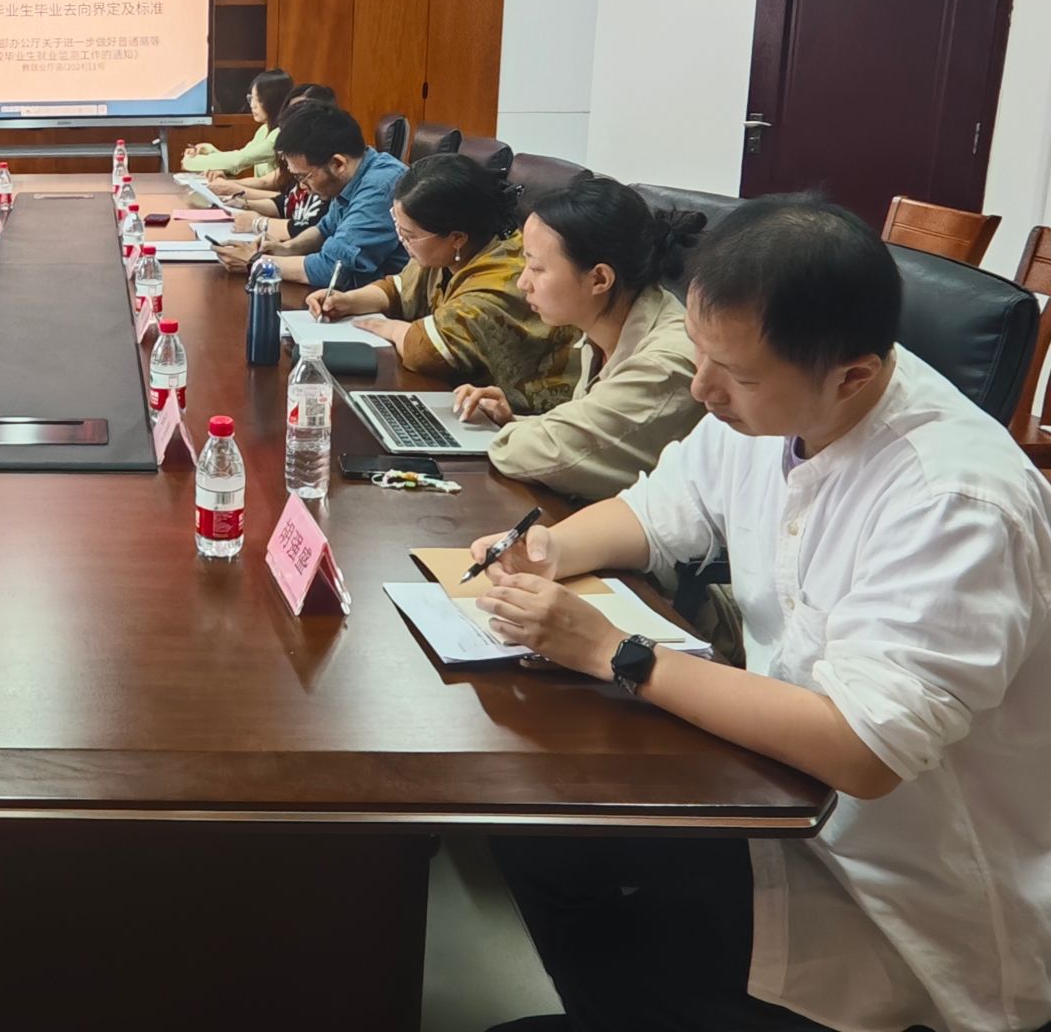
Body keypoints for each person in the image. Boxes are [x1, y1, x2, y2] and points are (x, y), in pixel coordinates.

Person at [471, 197, 1051, 1032]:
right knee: (534, 827)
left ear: (852, 376)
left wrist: (617, 653)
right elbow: (659, 509)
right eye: (699, 351)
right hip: (771, 802)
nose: (702, 388)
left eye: (736, 375)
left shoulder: (954, 498)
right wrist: (549, 550)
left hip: (891, 896)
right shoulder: (765, 402)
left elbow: (865, 751)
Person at [450, 176, 707, 499]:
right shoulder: (607, 328)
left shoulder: (664, 366)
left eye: (537, 268)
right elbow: (587, 441)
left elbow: (553, 456)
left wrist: (511, 434)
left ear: (599, 278)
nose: (523, 283)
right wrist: (511, 421)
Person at [305, 153, 577, 412]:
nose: (403, 242)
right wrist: (350, 300)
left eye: (410, 235)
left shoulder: (502, 281)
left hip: (529, 418)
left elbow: (425, 351)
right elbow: (400, 287)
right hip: (474, 403)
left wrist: (387, 328)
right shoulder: (455, 250)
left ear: (456, 238)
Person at [212, 102, 406, 288]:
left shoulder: (380, 188)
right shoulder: (354, 175)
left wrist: (256, 262)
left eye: (303, 177)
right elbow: (325, 229)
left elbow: (332, 269)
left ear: (337, 164)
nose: (301, 187)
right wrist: (288, 248)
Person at [220, 84, 340, 240]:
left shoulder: (324, 175)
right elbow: (285, 203)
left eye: (300, 113)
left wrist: (258, 223)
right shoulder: (303, 164)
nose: (291, 122)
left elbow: (308, 229)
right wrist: (244, 204)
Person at [210, 82, 336, 204]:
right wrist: (228, 184)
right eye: (290, 111)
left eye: (299, 112)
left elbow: (289, 202)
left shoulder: (322, 159)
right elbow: (266, 181)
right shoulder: (288, 143)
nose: (291, 119)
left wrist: (234, 189)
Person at [180, 68, 292, 176]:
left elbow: (239, 160)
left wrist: (189, 162)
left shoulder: (280, 134)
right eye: (251, 98)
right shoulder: (264, 129)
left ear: (275, 101)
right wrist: (209, 150)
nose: (252, 105)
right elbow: (239, 160)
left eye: (259, 100)